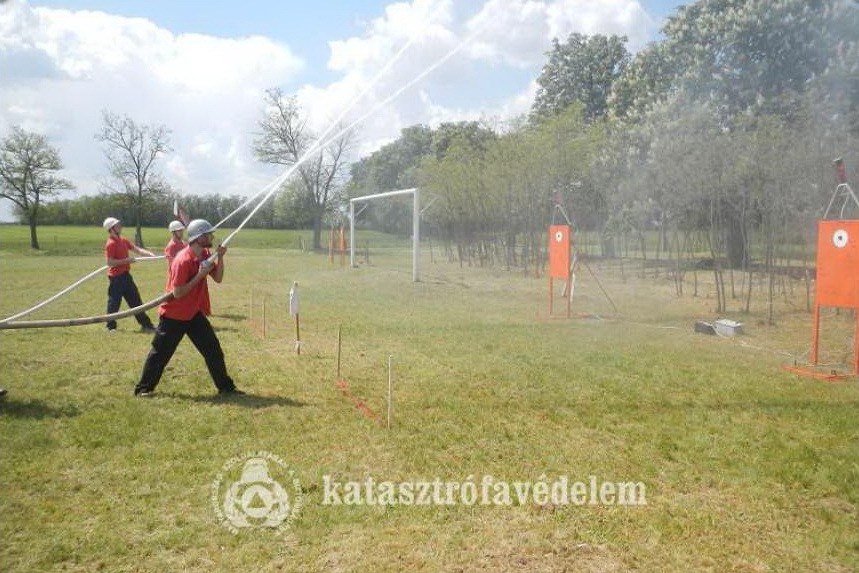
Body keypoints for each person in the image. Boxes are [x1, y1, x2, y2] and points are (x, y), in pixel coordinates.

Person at [134, 219, 241, 397]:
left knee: (213, 349)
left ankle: (226, 387)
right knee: (160, 353)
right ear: (199, 237)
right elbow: (177, 293)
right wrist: (200, 274)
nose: (212, 236)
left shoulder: (206, 254)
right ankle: (143, 389)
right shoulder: (182, 260)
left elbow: (218, 278)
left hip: (193, 314)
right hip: (174, 315)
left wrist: (220, 258)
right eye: (208, 234)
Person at [103, 217, 157, 333]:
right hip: (116, 278)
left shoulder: (123, 240)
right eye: (117, 225)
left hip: (126, 276)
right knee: (114, 303)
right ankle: (110, 326)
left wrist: (149, 254)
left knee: (136, 301)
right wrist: (126, 261)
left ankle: (146, 325)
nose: (120, 226)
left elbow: (136, 249)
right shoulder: (110, 244)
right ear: (111, 229)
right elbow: (110, 262)